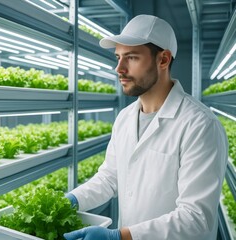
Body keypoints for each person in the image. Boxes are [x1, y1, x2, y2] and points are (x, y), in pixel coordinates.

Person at [63, 14, 228, 240]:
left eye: (131, 58)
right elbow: (110, 178)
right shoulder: (124, 118)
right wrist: (72, 200)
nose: (119, 68)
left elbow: (196, 218)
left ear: (163, 60)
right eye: (118, 57)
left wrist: (119, 237)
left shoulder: (200, 125)